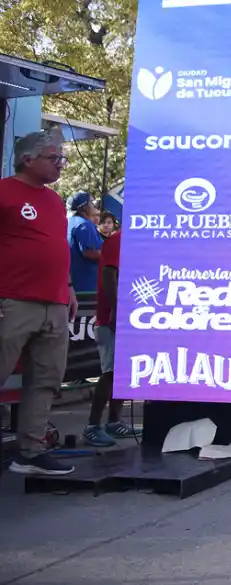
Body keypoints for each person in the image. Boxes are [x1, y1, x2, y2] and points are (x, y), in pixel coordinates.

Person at [0, 131, 78, 475]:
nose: (60, 163)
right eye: (53, 157)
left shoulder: (54, 200)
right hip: (13, 300)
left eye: (61, 158)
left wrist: (70, 287)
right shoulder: (4, 193)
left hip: (55, 302)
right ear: (27, 159)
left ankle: (30, 451)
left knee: (46, 379)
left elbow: (56, 247)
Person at [84, 228, 136, 446]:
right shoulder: (117, 240)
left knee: (123, 372)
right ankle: (92, 426)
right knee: (110, 372)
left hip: (131, 318)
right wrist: (116, 308)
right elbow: (108, 273)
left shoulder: (136, 240)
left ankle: (114, 421)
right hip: (110, 321)